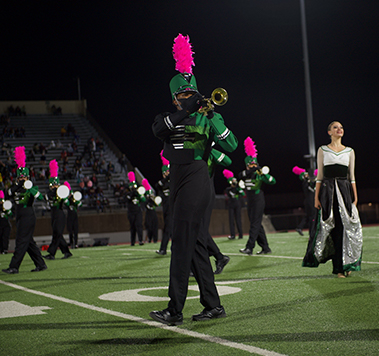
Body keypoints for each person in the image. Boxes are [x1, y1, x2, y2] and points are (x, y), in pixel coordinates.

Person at [150, 34, 238, 326]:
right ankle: (213, 305)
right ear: (175, 97)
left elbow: (232, 147)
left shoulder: (208, 119)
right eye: (184, 94)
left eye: (192, 93)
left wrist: (212, 115)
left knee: (182, 245)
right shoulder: (167, 117)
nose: (190, 97)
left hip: (198, 180)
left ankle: (174, 310)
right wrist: (187, 109)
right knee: (197, 245)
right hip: (177, 181)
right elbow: (159, 130)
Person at [302, 121, 362, 278]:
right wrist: (316, 198)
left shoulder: (349, 151)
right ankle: (338, 268)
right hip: (328, 192)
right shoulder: (323, 150)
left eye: (341, 127)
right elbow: (320, 177)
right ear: (329, 132)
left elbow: (352, 176)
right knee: (333, 229)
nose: (339, 129)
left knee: (346, 228)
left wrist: (355, 196)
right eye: (335, 127)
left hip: (344, 192)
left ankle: (347, 264)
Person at [2, 146, 47, 274]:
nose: (22, 179)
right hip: (20, 217)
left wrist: (30, 188)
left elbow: (41, 197)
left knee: (21, 241)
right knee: (29, 242)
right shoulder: (16, 187)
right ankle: (40, 264)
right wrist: (16, 185)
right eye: (20, 178)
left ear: (27, 177)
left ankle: (14, 266)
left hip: (28, 216)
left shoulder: (31, 188)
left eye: (24, 178)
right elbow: (8, 194)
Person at [239, 137, 276, 255]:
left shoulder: (259, 174)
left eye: (254, 164)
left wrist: (263, 173)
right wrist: (252, 170)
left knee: (255, 223)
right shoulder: (246, 174)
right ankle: (265, 247)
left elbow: (272, 181)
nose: (253, 166)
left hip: (258, 199)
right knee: (256, 224)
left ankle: (249, 247)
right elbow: (241, 175)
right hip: (249, 200)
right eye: (251, 165)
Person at [43, 160, 72, 260]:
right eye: (53, 185)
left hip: (60, 214)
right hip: (53, 214)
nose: (54, 187)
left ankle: (51, 253)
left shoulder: (61, 194)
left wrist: (64, 196)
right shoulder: (50, 193)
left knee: (57, 234)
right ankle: (67, 252)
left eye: (56, 185)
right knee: (58, 234)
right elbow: (46, 196)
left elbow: (67, 204)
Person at [292, 166, 317, 236]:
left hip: (308, 201)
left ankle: (300, 227)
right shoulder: (306, 183)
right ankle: (312, 232)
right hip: (310, 201)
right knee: (312, 217)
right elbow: (311, 184)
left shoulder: (309, 182)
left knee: (307, 216)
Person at [155, 151, 171, 255]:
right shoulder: (161, 184)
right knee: (169, 229)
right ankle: (164, 249)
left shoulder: (172, 181)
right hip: (166, 209)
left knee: (169, 229)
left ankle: (163, 249)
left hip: (174, 209)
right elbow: (158, 187)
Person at [223, 169, 244, 240]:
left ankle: (240, 234)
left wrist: (239, 188)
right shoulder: (228, 189)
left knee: (238, 219)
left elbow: (243, 194)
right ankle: (233, 235)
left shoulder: (238, 189)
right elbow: (228, 194)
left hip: (237, 205)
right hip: (231, 205)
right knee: (231, 220)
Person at [126, 171, 145, 246]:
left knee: (139, 225)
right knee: (132, 227)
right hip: (131, 212)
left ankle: (140, 240)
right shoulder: (128, 193)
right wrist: (132, 194)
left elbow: (143, 200)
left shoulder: (138, 194)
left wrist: (140, 195)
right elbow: (126, 199)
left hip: (138, 211)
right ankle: (132, 241)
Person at [64, 181, 82, 249]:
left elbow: (80, 204)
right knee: (70, 231)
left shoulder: (74, 200)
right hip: (69, 216)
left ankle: (76, 243)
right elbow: (67, 204)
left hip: (74, 216)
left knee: (76, 231)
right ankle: (72, 243)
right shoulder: (67, 199)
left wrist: (76, 200)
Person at [141, 179, 159, 243]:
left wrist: (153, 199)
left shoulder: (151, 192)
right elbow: (143, 202)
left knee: (155, 226)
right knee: (149, 226)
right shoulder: (144, 193)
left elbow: (157, 203)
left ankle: (155, 239)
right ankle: (149, 239)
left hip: (152, 211)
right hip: (148, 212)